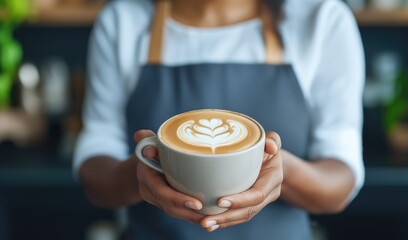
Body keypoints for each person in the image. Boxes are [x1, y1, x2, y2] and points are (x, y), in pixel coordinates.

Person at [74, 0, 365, 239]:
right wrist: (138, 174)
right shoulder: (122, 22)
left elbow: (340, 181)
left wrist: (276, 169)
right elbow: (94, 171)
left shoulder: (322, 20)